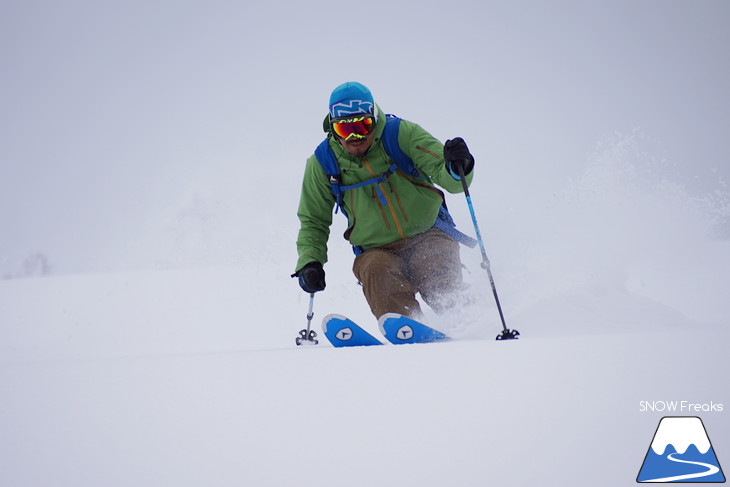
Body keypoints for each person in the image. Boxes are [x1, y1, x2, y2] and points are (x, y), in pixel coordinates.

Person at [292, 81, 475, 321]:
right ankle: (407, 327)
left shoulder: (401, 134)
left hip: (428, 233)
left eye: (363, 126)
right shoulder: (322, 163)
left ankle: (467, 320)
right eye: (346, 130)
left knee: (437, 272)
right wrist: (310, 261)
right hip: (376, 249)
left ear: (374, 119)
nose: (356, 137)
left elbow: (450, 179)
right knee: (377, 272)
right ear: (333, 128)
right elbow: (313, 220)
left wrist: (458, 166)